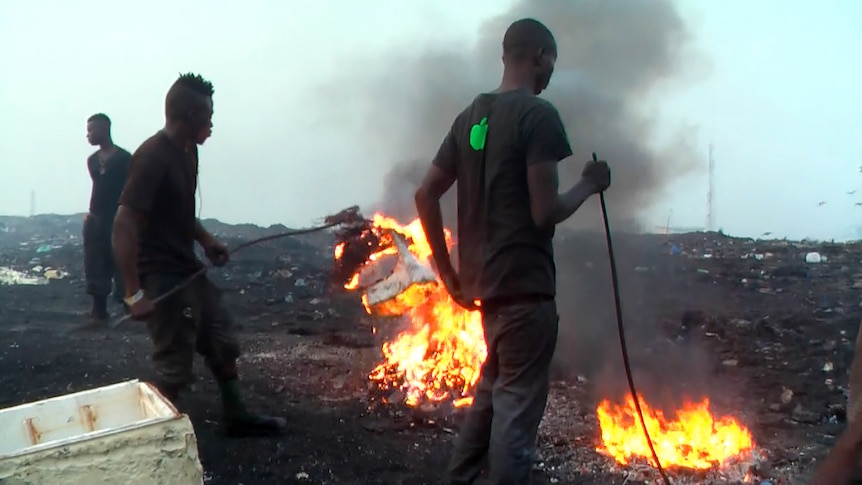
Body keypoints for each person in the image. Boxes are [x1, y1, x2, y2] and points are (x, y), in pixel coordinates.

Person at [414, 18, 611, 484]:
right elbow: (545, 213)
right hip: (526, 292)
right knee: (515, 422)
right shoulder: (537, 116)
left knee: (489, 395)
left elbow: (425, 196)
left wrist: (450, 276)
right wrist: (589, 183)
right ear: (539, 55)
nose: (548, 76)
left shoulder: (470, 117)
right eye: (550, 64)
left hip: (489, 293)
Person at [112, 72, 286, 437]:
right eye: (207, 115)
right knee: (174, 362)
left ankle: (237, 416)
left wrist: (205, 240)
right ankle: (151, 440)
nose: (211, 123)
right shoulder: (152, 157)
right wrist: (134, 293)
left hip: (186, 265)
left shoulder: (187, 152)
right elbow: (124, 222)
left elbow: (180, 211)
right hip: (159, 275)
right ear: (188, 115)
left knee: (220, 338)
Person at [83, 113, 131, 324]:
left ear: (104, 129)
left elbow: (129, 189)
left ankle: (128, 306)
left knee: (122, 261)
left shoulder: (124, 159)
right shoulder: (92, 161)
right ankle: (99, 309)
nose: (88, 135)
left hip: (118, 218)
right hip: (96, 219)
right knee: (95, 262)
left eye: (91, 130)